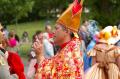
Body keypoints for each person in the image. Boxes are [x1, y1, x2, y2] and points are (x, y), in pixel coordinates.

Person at [33, 0, 84, 78]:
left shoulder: (68, 55)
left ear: (67, 31)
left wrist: (39, 55)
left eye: (56, 28)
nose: (53, 32)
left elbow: (49, 75)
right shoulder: (70, 48)